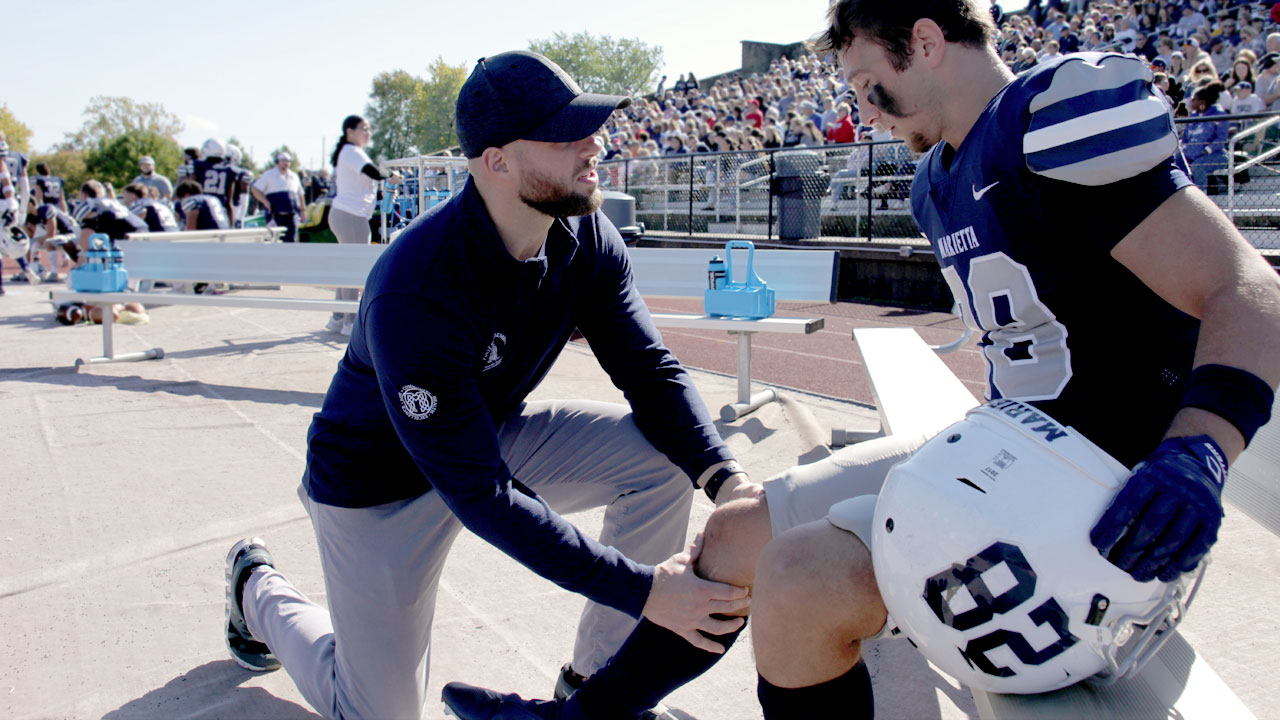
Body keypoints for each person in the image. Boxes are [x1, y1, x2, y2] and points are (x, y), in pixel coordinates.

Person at [442, 1, 1280, 718]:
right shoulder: (939, 174)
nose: (860, 108)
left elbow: (1246, 285)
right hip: (1015, 451)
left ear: (921, 41)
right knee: (735, 534)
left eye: (860, 82)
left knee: (801, 582)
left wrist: (1200, 450)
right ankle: (587, 714)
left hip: (1116, 508)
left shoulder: (1050, 116)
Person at [220, 49, 752, 720]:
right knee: (375, 714)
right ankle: (257, 592)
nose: (594, 144)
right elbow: (483, 496)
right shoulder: (419, 287)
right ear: (496, 161)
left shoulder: (586, 234)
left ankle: (594, 687)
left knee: (664, 462)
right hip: (376, 487)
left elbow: (650, 370)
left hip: (485, 440)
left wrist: (726, 478)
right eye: (566, 132)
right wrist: (648, 592)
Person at [323, 114, 403, 335]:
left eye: (368, 129)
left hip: (348, 214)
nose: (368, 133)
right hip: (350, 216)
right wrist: (393, 174)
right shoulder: (351, 152)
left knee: (347, 265)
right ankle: (349, 321)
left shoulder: (350, 153)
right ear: (350, 132)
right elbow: (375, 173)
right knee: (353, 267)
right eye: (363, 129)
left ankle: (338, 317)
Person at [1182, 82, 1230, 187]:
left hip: (1215, 155)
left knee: (1197, 166)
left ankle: (1202, 194)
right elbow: (1185, 137)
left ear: (1202, 102)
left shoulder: (1218, 114)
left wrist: (1206, 150)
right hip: (1192, 155)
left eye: (1194, 99)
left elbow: (1221, 138)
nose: (1191, 101)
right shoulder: (1193, 116)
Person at [251, 153, 305, 242]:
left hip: (292, 216)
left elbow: (300, 194)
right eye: (283, 160)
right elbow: (255, 189)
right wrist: (265, 201)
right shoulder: (269, 175)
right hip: (275, 215)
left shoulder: (294, 176)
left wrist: (303, 210)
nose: (286, 163)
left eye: (288, 161)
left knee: (291, 241)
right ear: (278, 162)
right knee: (275, 241)